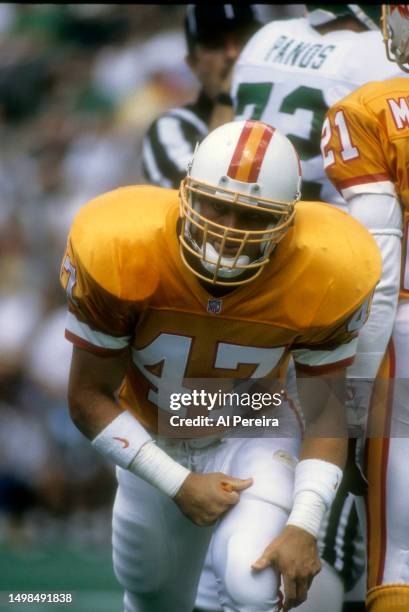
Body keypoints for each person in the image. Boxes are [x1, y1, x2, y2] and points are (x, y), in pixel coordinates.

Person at [60, 119, 381, 612]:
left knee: (256, 586)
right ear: (187, 193)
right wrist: (177, 482)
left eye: (252, 217)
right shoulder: (123, 245)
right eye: (217, 206)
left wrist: (304, 522)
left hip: (252, 425)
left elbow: (326, 412)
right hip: (154, 432)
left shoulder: (326, 265)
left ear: (288, 220)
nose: (228, 231)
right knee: (151, 598)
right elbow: (86, 398)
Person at [192, 8, 407, 612]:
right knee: (347, 517)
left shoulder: (265, 39)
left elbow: (226, 139)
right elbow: (382, 252)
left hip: (239, 294)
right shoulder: (376, 62)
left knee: (240, 458)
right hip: (333, 291)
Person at [320, 5, 409, 611]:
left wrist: (351, 410)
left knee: (399, 556)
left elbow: (378, 279)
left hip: (401, 333)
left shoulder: (371, 108)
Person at [141, 4, 261, 189]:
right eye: (215, 44)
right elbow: (205, 192)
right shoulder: (173, 127)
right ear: (193, 63)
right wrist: (227, 98)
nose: (232, 54)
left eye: (243, 39)